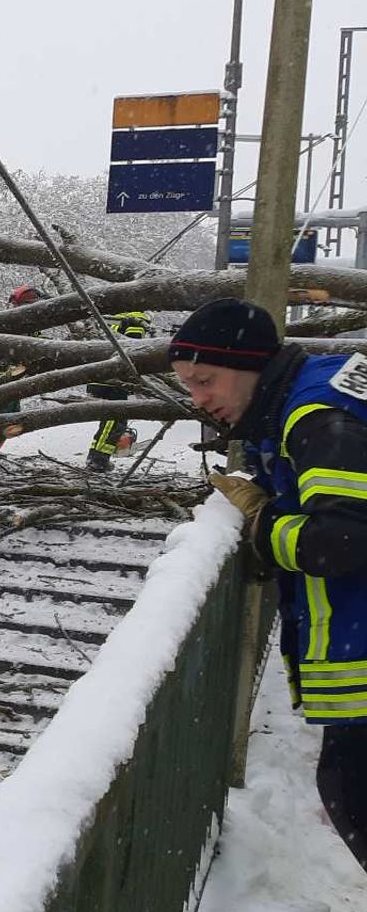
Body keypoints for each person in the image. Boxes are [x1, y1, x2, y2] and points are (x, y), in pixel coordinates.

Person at [171, 298, 367, 882]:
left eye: (205, 380)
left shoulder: (315, 417)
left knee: (350, 789)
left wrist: (263, 526)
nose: (198, 399)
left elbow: (343, 541)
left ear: (252, 364)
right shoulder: (314, 395)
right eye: (187, 385)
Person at [0, 285, 44, 458]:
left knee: (10, 414)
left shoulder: (22, 322)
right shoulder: (20, 322)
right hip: (4, 375)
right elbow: (33, 345)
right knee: (2, 414)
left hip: (11, 375)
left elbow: (39, 343)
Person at [86, 308, 153, 472]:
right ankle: (98, 459)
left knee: (112, 421)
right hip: (113, 380)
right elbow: (133, 346)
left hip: (100, 375)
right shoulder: (137, 318)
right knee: (113, 421)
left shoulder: (114, 316)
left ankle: (98, 456)